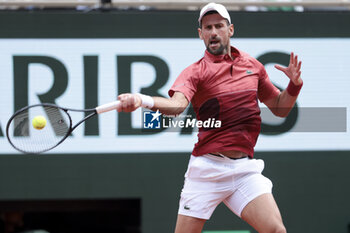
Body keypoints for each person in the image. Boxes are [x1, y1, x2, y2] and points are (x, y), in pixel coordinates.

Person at [117, 2, 302, 233]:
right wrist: (142, 99)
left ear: (230, 29)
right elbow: (176, 106)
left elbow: (279, 108)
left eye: (218, 26)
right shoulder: (195, 72)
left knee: (277, 231)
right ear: (201, 34)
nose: (213, 32)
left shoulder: (253, 66)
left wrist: (294, 86)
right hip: (207, 170)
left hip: (244, 170)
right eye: (207, 28)